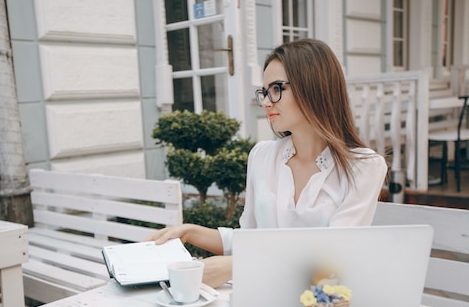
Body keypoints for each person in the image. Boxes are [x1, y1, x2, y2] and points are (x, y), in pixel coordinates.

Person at [147, 38, 388, 288]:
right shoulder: (262, 156)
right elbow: (251, 239)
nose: (266, 102)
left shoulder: (363, 168)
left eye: (277, 89)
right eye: (264, 91)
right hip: (259, 297)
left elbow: (332, 257)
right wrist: (190, 232)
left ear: (314, 87)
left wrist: (237, 266)